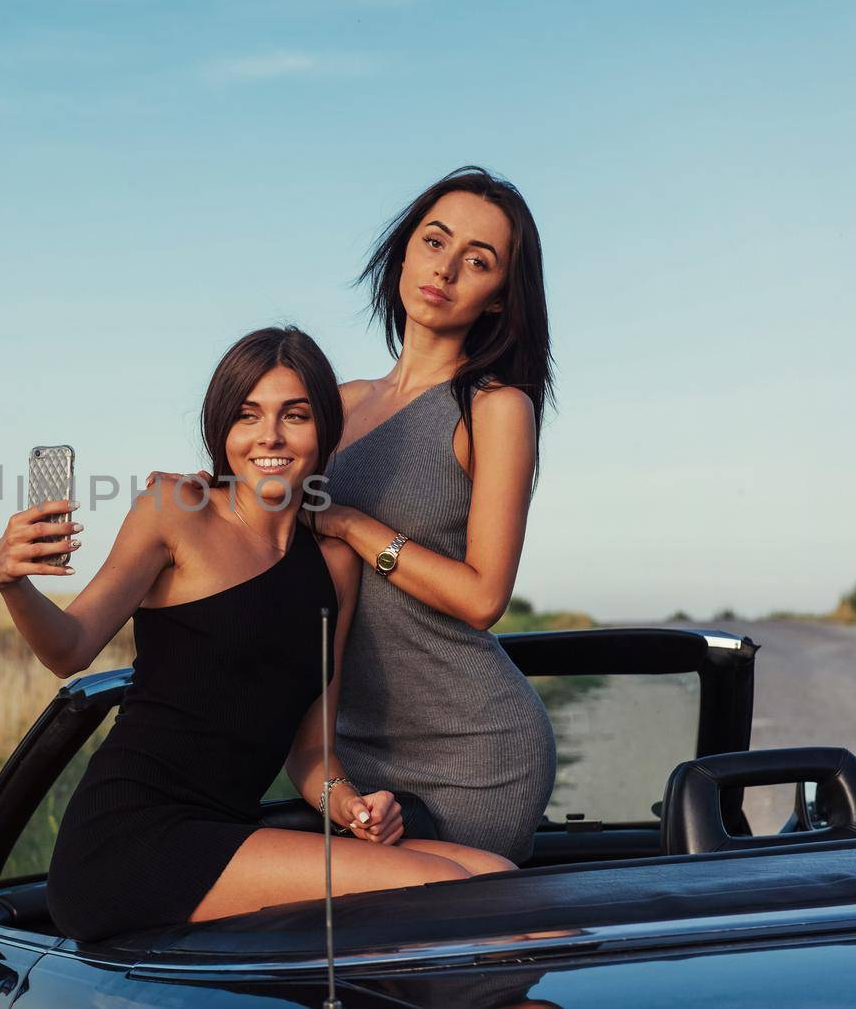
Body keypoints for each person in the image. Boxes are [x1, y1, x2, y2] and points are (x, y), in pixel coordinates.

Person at [0, 326, 513, 944]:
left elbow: (313, 754)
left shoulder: (337, 567)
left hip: (228, 835)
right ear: (222, 430)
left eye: (295, 415)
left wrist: (354, 808)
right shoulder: (175, 510)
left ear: (324, 431)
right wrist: (12, 584)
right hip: (128, 843)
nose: (269, 436)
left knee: (498, 877)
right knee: (457, 890)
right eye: (247, 416)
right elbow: (69, 649)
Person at [148, 166, 558, 864]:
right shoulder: (336, 401)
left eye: (478, 261)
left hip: (475, 755)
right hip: (345, 752)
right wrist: (202, 495)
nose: (447, 269)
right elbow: (263, 516)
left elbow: (484, 596)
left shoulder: (495, 407)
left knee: (419, 956)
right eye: (435, 242)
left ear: (497, 299)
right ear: (404, 253)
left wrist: (351, 525)